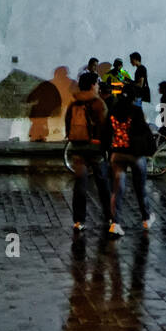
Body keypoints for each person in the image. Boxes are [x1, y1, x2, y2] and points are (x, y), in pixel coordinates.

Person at [64, 71, 112, 234]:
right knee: (102, 183)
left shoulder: (74, 103)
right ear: (92, 85)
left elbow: (67, 123)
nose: (98, 86)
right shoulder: (98, 103)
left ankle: (79, 220)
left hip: (78, 147)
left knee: (80, 184)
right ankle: (109, 216)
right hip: (95, 148)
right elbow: (105, 127)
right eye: (97, 83)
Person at [106, 83, 155, 234]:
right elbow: (144, 131)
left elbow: (107, 131)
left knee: (117, 189)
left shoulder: (113, 110)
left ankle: (115, 223)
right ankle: (146, 219)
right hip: (135, 154)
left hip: (117, 153)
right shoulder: (135, 110)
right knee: (140, 188)